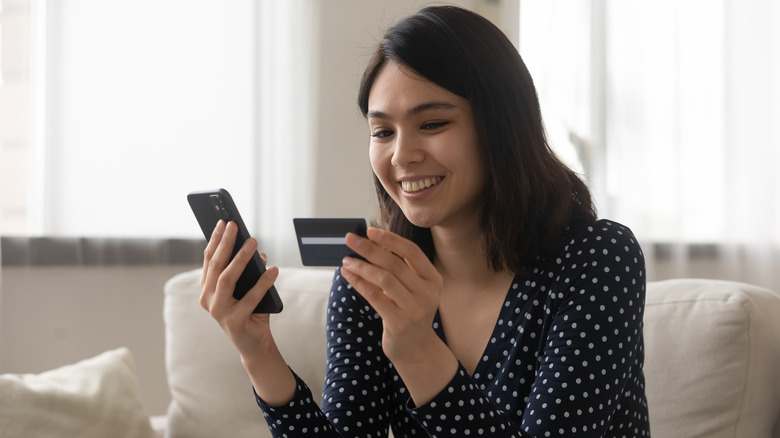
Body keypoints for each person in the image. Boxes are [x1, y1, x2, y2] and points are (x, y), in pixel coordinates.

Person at [199, 5, 650, 437]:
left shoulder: (597, 258)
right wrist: (258, 353)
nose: (401, 155)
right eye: (382, 132)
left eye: (432, 124)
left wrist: (418, 350)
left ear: (502, 127)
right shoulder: (373, 279)